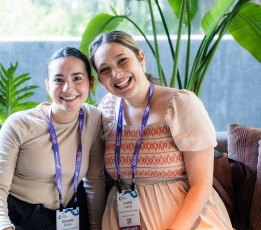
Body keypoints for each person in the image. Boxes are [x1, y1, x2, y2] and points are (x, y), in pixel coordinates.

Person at [89, 30, 233, 230]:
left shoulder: (180, 103)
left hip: (187, 223)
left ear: (141, 57)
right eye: (105, 69)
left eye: (122, 61)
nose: (116, 74)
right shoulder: (106, 109)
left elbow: (201, 184)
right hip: (121, 220)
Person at [0, 47, 106, 230]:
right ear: (48, 86)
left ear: (90, 83)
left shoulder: (93, 119)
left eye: (77, 78)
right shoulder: (20, 124)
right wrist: (2, 226)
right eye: (59, 80)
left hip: (54, 220)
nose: (68, 88)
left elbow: (95, 181)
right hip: (2, 212)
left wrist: (97, 226)